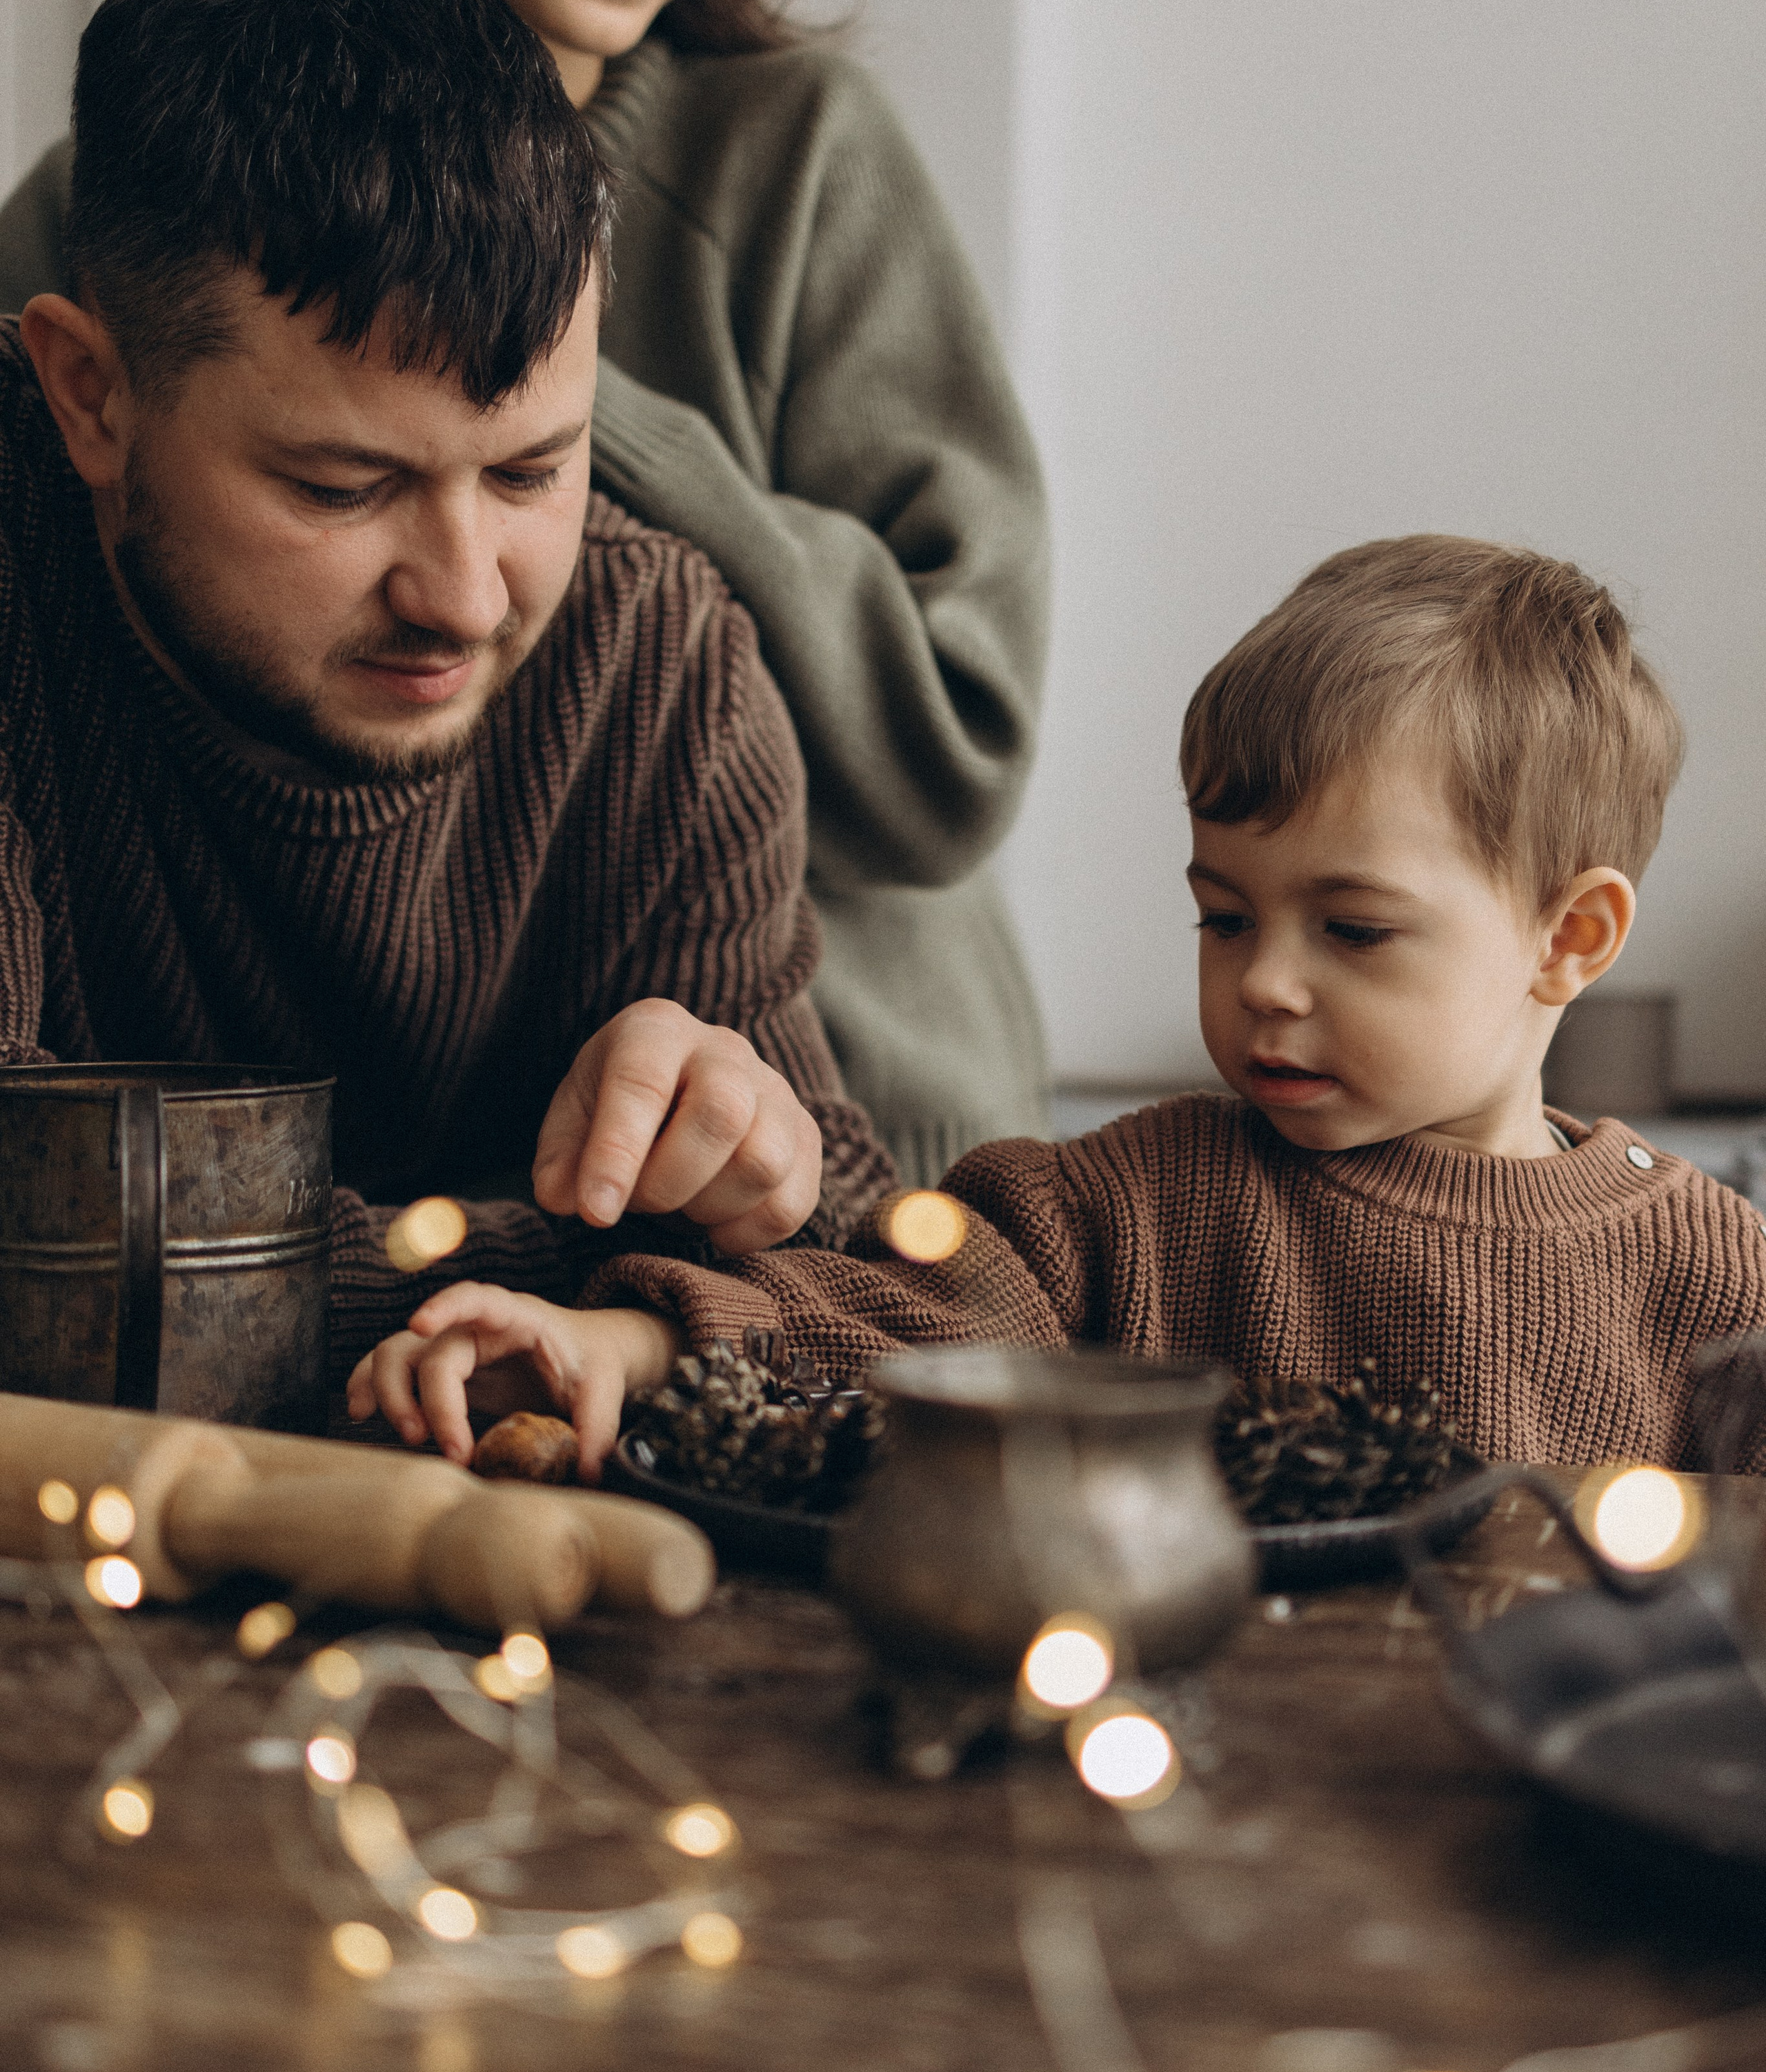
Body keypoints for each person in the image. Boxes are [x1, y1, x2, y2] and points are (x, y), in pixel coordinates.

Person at [0, 0, 1051, 1187]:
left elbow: (952, 756)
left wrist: (559, 383)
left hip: (838, 1121)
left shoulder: (797, 158)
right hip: (344, 1154)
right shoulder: (129, 188)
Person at [355, 535, 1766, 1473]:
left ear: (1565, 936)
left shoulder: (1717, 1276)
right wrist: (626, 1344)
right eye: (1223, 914)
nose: (1262, 979)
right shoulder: (1114, 1210)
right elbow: (870, 1326)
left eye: (1350, 928)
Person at [3, 0, 897, 1394]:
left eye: (534, 470)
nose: (467, 598)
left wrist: (755, 1167)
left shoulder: (655, 664)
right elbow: (47, 1286)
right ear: (91, 396)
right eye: (343, 487)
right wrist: (586, 1261)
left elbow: (870, 1284)